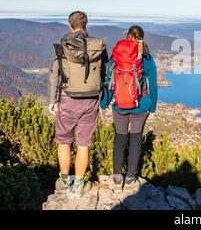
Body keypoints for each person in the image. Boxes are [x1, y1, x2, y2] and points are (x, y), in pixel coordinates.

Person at [48, 11, 108, 199]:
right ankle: (79, 184)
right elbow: (104, 72)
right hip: (90, 99)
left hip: (67, 98)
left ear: (69, 25)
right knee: (83, 144)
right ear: (86, 24)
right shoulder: (98, 46)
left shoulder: (62, 46)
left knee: (64, 141)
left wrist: (52, 100)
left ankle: (65, 181)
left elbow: (53, 74)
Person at [101, 25, 158, 193]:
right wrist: (152, 106)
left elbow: (109, 78)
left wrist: (105, 103)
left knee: (119, 141)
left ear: (127, 37)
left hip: (120, 104)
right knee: (135, 141)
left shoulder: (117, 54)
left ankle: (117, 178)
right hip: (141, 106)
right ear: (142, 38)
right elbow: (153, 84)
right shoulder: (146, 57)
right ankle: (131, 177)